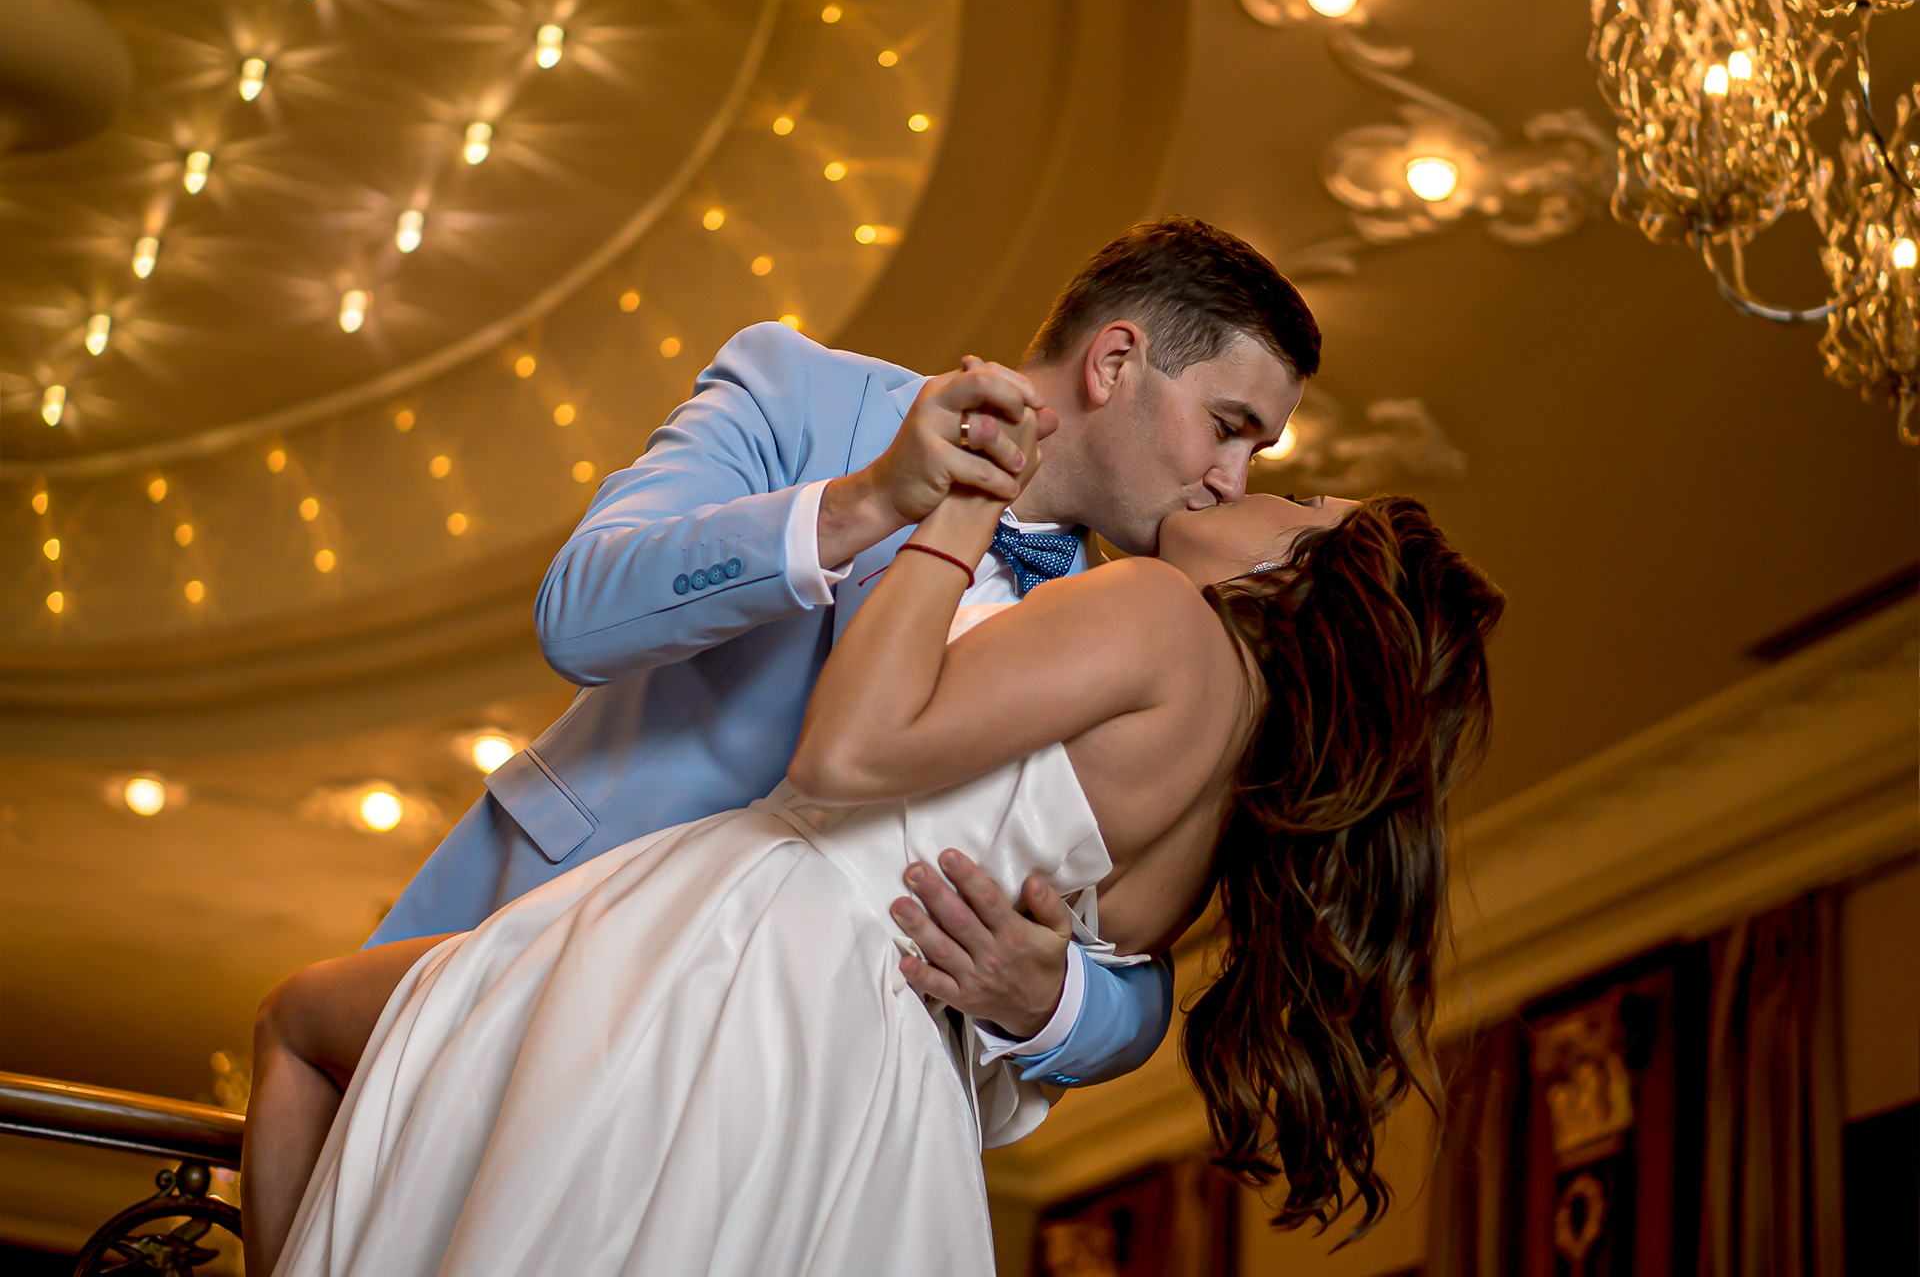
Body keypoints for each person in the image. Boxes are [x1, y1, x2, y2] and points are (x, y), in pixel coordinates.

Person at [253, 470, 1503, 1277]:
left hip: (741, 956)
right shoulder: (1226, 796)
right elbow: (1082, 954)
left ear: (1304, 568)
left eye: (1300, 495)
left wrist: (959, 506)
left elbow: (846, 752)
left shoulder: (1163, 614)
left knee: (308, 1023)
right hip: (884, 1078)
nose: (1249, 480)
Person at [350, 222, 1314, 1123]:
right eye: (1227, 426)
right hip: (521, 936)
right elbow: (581, 611)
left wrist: (1052, 1000)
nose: (1233, 480)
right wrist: (865, 503)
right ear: (1113, 362)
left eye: (1254, 450)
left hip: (768, 1086)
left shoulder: (1122, 630)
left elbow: (1138, 976)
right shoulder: (800, 390)